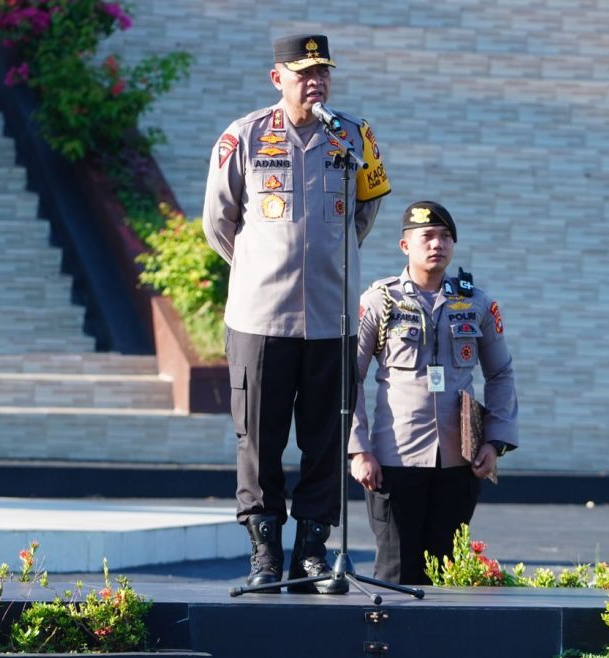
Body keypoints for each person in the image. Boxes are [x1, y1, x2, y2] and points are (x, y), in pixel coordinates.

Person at [202, 33, 391, 594]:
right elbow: (218, 221)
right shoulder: (245, 136)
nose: (316, 82)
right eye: (304, 72)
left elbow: (366, 208)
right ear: (277, 78)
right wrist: (265, 266)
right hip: (261, 319)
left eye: (323, 72)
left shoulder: (354, 136)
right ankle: (264, 550)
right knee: (258, 438)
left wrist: (326, 266)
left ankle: (312, 548)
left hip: (331, 317)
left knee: (326, 436)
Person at [347, 201, 518, 585]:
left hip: (460, 462)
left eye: (445, 237)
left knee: (446, 574)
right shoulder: (381, 301)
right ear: (405, 245)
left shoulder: (475, 303)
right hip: (394, 460)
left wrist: (495, 442)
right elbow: (348, 379)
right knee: (396, 573)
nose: (437, 244)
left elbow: (501, 373)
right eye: (427, 236)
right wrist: (358, 450)